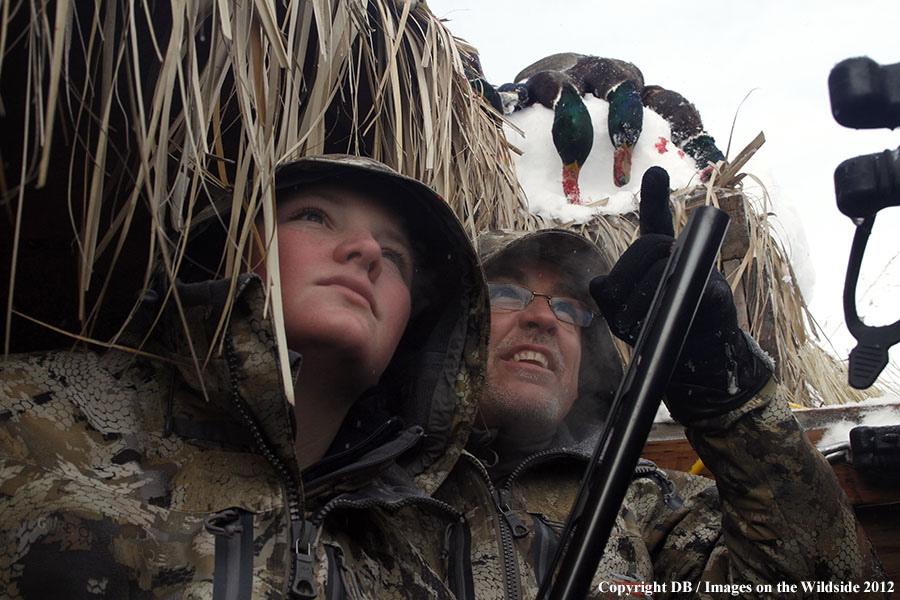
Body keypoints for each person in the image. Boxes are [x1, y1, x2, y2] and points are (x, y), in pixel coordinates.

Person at [0, 154, 489, 599]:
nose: (367, 251)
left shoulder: (423, 566)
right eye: (314, 216)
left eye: (395, 256)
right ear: (225, 252)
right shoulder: (20, 419)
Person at [432, 169, 888, 598]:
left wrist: (724, 392)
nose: (544, 318)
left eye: (570, 308)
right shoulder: (393, 488)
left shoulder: (652, 507)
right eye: (505, 293)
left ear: (582, 374)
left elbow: (829, 584)